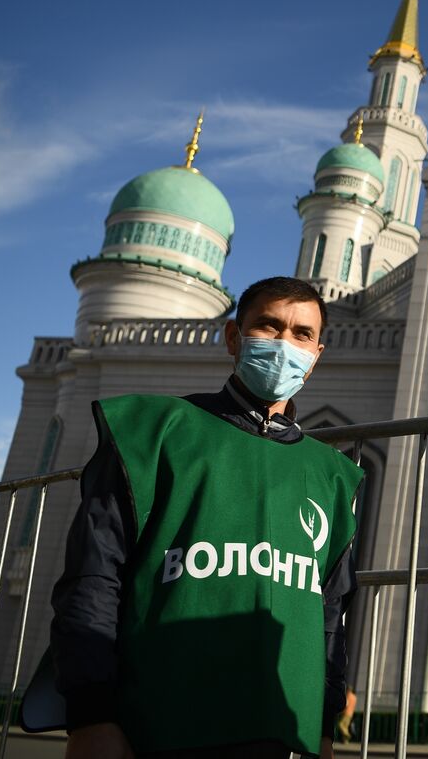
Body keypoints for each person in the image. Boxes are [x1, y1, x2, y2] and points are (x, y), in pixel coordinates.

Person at [49, 276, 364, 759]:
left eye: (301, 334)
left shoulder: (333, 476)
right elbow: (94, 578)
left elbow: (327, 618)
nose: (284, 345)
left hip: (276, 729)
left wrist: (320, 726)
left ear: (317, 353)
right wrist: (91, 716)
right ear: (235, 337)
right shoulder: (154, 434)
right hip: (158, 721)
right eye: (269, 326)